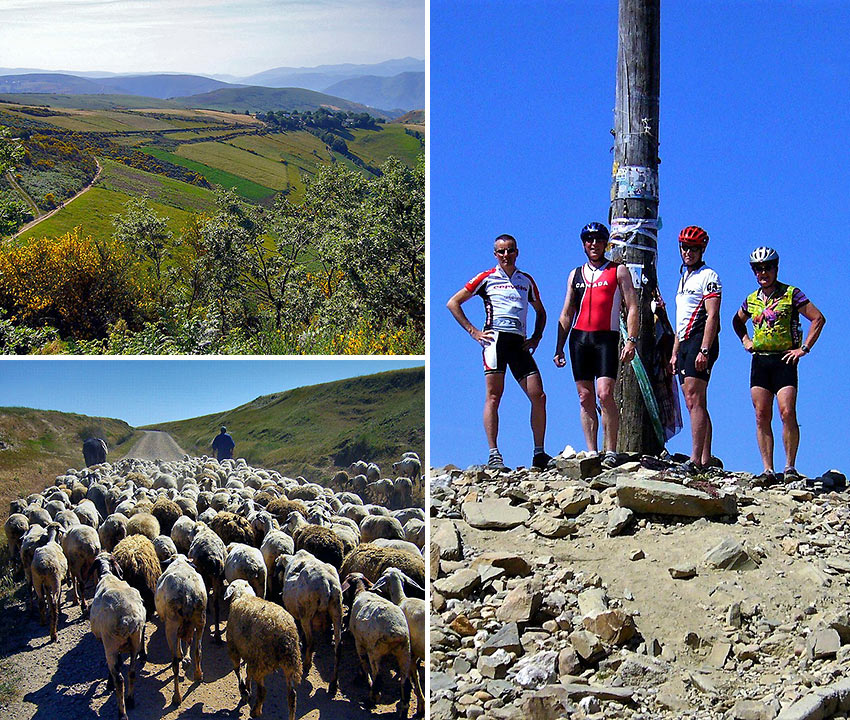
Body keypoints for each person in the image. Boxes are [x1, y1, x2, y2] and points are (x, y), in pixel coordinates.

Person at [447, 233, 550, 470]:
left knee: (539, 395)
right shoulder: (486, 277)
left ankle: (539, 453)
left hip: (519, 343)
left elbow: (541, 311)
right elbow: (453, 302)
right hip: (494, 340)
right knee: (494, 395)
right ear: (495, 254)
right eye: (501, 251)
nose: (506, 255)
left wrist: (536, 336)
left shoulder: (526, 280)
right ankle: (494, 454)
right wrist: (473, 331)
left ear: (517, 252)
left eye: (510, 250)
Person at [732, 246, 825, 483]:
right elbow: (737, 321)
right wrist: (745, 340)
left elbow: (817, 318)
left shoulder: (791, 294)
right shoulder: (751, 299)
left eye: (767, 268)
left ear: (776, 268)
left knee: (787, 411)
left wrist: (804, 348)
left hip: (785, 359)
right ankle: (767, 469)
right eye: (758, 269)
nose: (763, 273)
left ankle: (790, 466)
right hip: (760, 360)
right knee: (762, 414)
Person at [553, 222, 639, 467]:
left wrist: (631, 339)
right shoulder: (575, 274)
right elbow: (567, 311)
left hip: (606, 338)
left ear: (605, 244)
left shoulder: (618, 271)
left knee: (605, 393)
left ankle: (610, 449)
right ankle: (591, 452)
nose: (593, 244)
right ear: (584, 245)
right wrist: (559, 346)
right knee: (585, 396)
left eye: (598, 240)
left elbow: (632, 306)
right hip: (580, 338)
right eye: (589, 240)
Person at [671, 225, 721, 474]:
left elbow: (712, 315)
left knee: (695, 398)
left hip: (701, 340)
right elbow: (681, 318)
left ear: (702, 250)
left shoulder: (709, 276)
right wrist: (674, 351)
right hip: (685, 342)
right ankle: (704, 458)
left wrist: (704, 349)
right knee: (694, 402)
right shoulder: (684, 277)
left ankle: (696, 459)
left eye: (693, 248)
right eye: (684, 247)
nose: (688, 252)